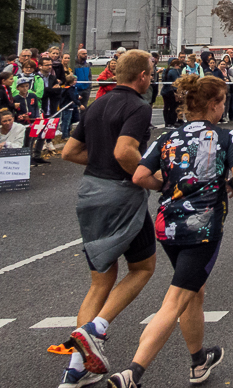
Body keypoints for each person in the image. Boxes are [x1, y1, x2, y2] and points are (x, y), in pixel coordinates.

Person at [105, 74, 233, 388]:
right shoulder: (226, 136)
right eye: (222, 102)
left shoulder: (167, 137)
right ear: (213, 105)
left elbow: (141, 175)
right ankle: (133, 372)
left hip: (167, 224)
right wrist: (228, 185)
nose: (224, 108)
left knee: (193, 292)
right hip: (203, 227)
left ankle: (198, 361)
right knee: (174, 301)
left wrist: (165, 187)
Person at [58, 51, 158, 388]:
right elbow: (124, 152)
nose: (152, 78)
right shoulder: (139, 107)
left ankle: (76, 368)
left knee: (100, 280)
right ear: (142, 76)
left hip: (90, 193)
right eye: (151, 73)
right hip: (121, 196)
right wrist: (151, 178)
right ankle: (95, 328)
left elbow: (69, 152)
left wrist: (99, 161)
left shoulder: (96, 105)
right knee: (143, 268)